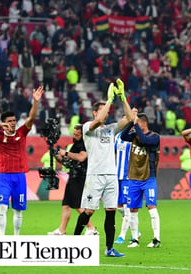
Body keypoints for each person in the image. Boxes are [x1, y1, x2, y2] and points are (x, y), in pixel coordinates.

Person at [73, 79, 134, 257]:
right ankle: (73, 242)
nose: (106, 115)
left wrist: (122, 97)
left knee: (111, 212)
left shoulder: (111, 129)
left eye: (107, 112)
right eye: (102, 112)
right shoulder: (87, 128)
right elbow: (98, 120)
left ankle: (109, 249)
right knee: (88, 211)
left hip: (111, 176)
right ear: (94, 112)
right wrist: (109, 100)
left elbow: (130, 118)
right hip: (95, 176)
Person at [0, 86, 44, 235]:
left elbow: (31, 118)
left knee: (18, 210)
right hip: (4, 177)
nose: (13, 123)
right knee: (2, 207)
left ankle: (16, 239)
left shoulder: (21, 133)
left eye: (14, 120)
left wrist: (35, 102)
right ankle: (2, 238)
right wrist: (0, 125)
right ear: (4, 123)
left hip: (20, 177)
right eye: (9, 121)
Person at [120, 112, 161, 248]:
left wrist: (135, 123)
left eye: (138, 123)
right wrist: (131, 121)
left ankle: (156, 238)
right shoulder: (134, 135)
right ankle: (135, 239)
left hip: (149, 177)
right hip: (134, 178)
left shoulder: (154, 137)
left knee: (151, 206)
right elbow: (123, 136)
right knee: (132, 209)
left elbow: (144, 140)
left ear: (144, 123)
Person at [48, 124, 97, 235]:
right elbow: (68, 162)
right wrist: (56, 154)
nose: (75, 136)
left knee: (77, 205)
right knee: (66, 204)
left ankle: (92, 228)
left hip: (80, 176)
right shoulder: (76, 145)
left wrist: (65, 153)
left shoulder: (84, 144)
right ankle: (61, 230)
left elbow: (81, 157)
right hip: (74, 175)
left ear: (83, 135)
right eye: (74, 134)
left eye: (77, 135)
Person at [114, 109, 140, 244]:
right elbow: (113, 153)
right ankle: (135, 228)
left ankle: (122, 235)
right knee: (119, 207)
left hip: (129, 176)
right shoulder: (118, 137)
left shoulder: (134, 136)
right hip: (117, 176)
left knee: (127, 206)